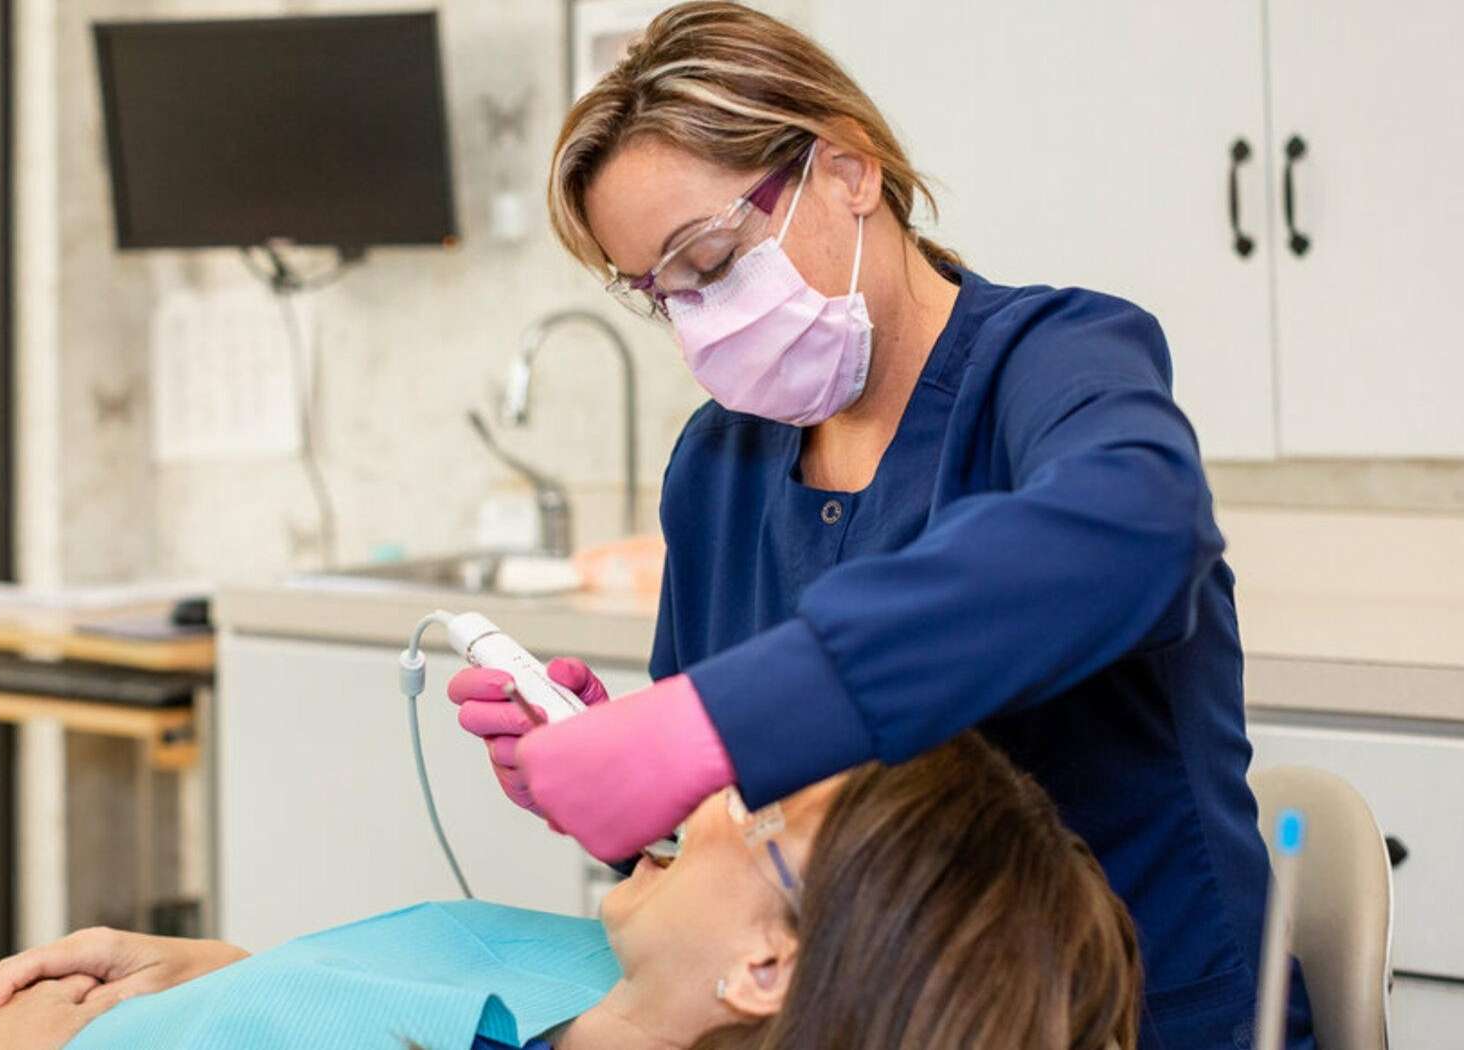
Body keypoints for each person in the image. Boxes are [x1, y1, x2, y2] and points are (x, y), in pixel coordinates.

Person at [446, 4, 1313, 1048]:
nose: (699, 324)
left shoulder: (1055, 362)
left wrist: (710, 723)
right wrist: (617, 775)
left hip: (1126, 1018)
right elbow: (753, 857)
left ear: (850, 169)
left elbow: (1137, 529)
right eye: (660, 296)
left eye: (711, 262)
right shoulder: (719, 466)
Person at [0, 733, 1140, 1049]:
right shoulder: (595, 983)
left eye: (761, 814)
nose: (716, 793)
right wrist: (226, 979)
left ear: (766, 969)